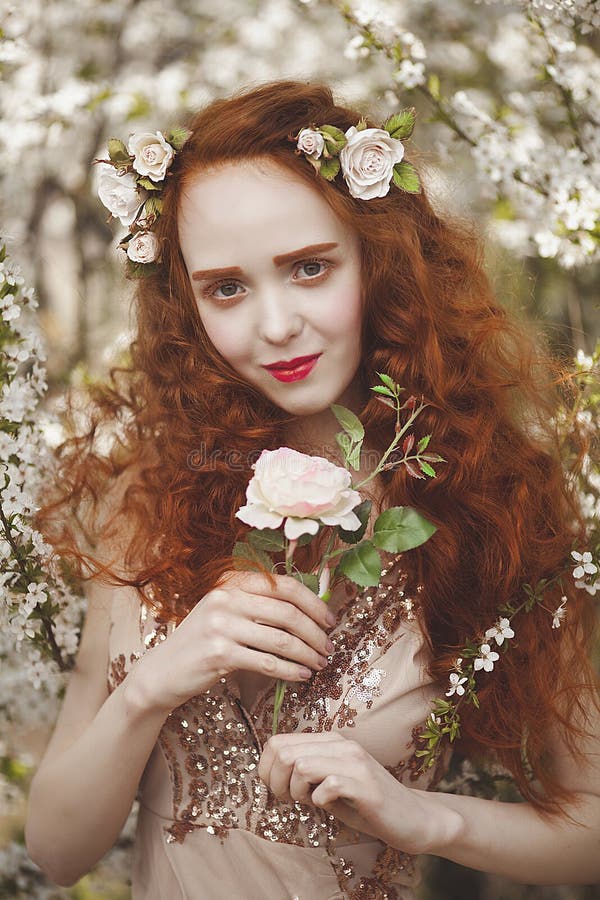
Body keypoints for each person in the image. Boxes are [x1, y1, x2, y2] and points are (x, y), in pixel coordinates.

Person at [25, 80, 600, 898]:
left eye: (309, 268)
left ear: (382, 260)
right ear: (186, 302)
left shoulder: (497, 503)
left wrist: (424, 818)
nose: (275, 325)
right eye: (227, 287)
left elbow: (592, 828)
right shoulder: (145, 500)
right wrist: (148, 688)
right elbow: (54, 850)